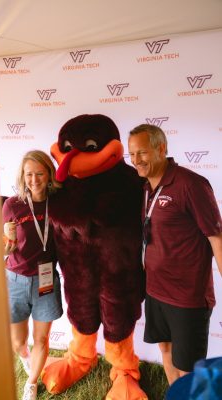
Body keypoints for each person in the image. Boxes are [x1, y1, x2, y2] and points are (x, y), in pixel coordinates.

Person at [128, 124, 222, 386]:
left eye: (142, 153)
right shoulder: (146, 187)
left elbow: (216, 238)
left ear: (161, 148)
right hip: (155, 290)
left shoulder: (190, 184)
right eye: (132, 154)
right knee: (165, 351)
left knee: (189, 369)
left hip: (187, 297)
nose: (136, 161)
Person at [2, 150, 63, 400]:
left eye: (39, 173)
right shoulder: (12, 205)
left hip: (46, 279)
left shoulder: (59, 202)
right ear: (22, 175)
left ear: (49, 173)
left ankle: (32, 383)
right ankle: (27, 360)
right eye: (29, 174)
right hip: (15, 280)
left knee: (41, 338)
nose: (34, 179)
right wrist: (5, 245)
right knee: (18, 342)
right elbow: (5, 247)